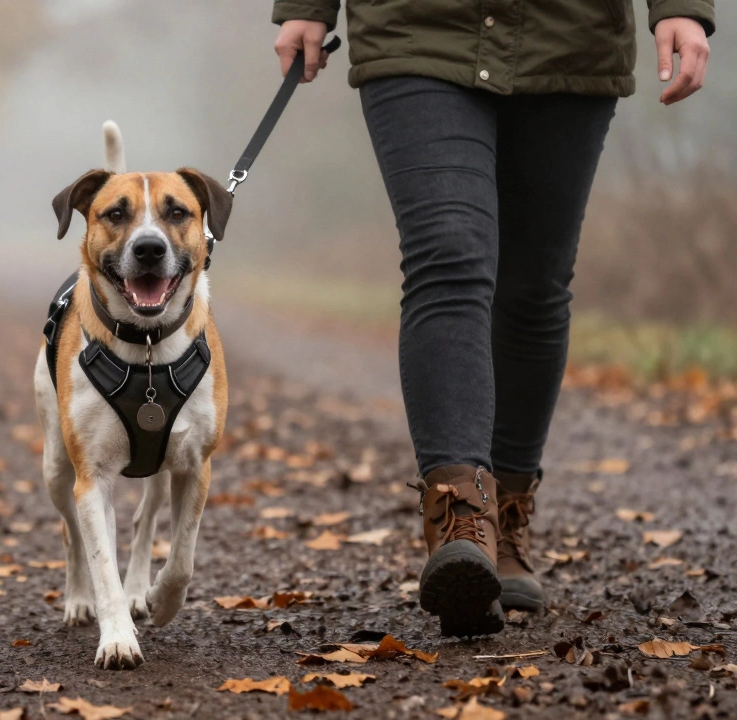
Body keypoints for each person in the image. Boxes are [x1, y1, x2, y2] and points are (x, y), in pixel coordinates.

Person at [271, 0, 714, 637]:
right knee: (448, 253)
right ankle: (462, 521)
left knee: (534, 287)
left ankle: (505, 518)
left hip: (569, 30)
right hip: (416, 26)